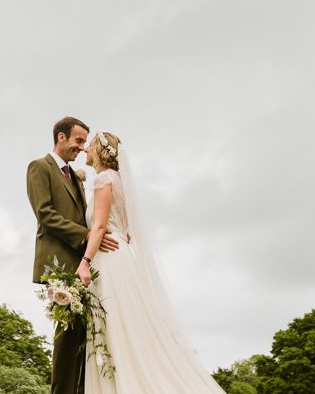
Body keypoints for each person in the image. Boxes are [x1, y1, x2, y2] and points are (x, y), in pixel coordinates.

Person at [77, 131, 225, 393]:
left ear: (100, 151)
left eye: (89, 145)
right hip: (123, 256)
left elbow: (99, 226)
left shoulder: (102, 179)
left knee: (115, 328)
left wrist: (85, 261)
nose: (85, 149)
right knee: (129, 328)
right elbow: (128, 231)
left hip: (109, 259)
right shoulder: (119, 181)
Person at [26, 116, 119, 394]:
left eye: (84, 143)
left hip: (83, 265)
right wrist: (88, 235)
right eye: (78, 141)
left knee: (84, 338)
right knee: (66, 339)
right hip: (59, 264)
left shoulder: (77, 176)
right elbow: (45, 214)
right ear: (61, 137)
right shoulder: (39, 167)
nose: (81, 148)